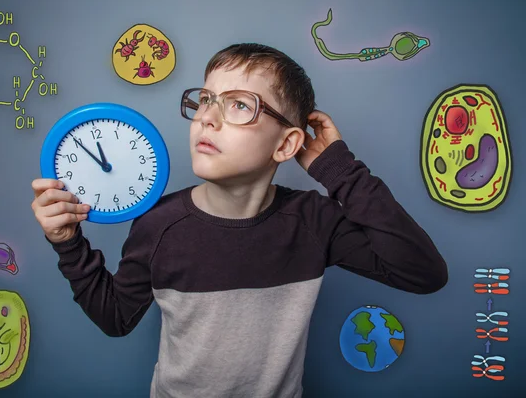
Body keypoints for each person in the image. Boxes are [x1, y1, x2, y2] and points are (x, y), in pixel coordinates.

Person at [30, 43, 448, 397]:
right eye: (207, 99)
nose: (207, 117)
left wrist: (340, 171)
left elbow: (423, 272)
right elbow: (116, 319)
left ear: (286, 143)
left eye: (239, 105)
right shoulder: (158, 226)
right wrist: (69, 244)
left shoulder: (314, 222)